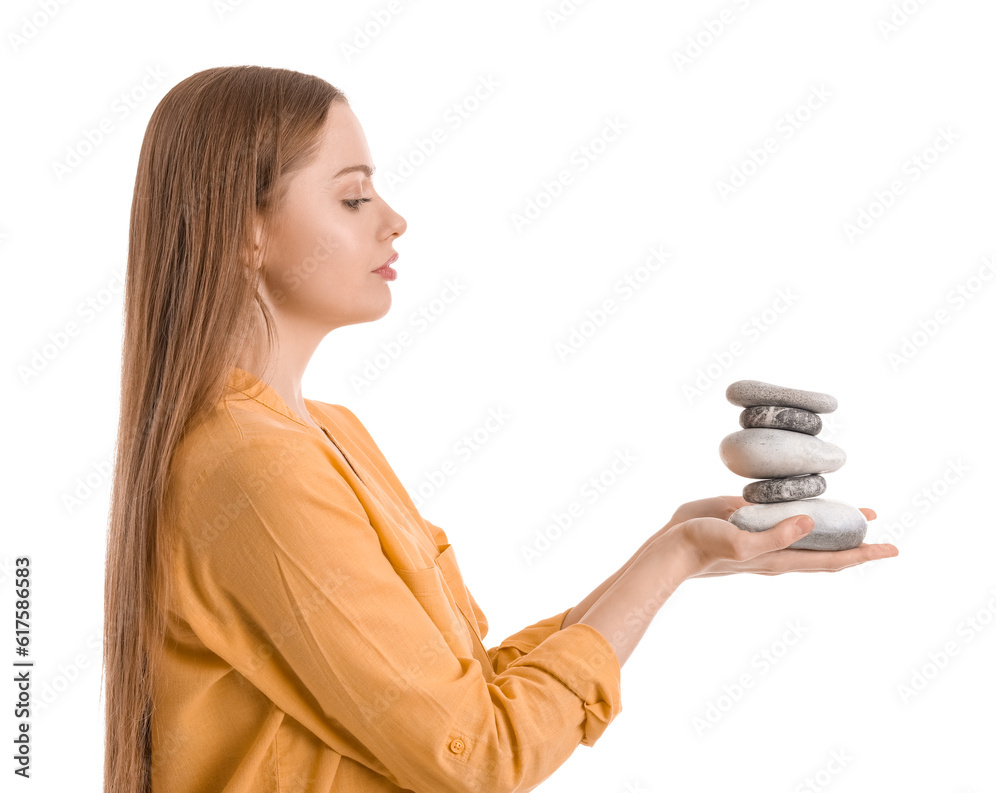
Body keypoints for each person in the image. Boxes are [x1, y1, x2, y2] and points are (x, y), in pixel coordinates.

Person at [102, 65, 898, 793]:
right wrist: (672, 557)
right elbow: (479, 754)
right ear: (247, 231)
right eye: (353, 197)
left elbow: (466, 696)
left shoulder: (328, 434)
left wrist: (675, 557)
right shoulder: (252, 463)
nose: (395, 219)